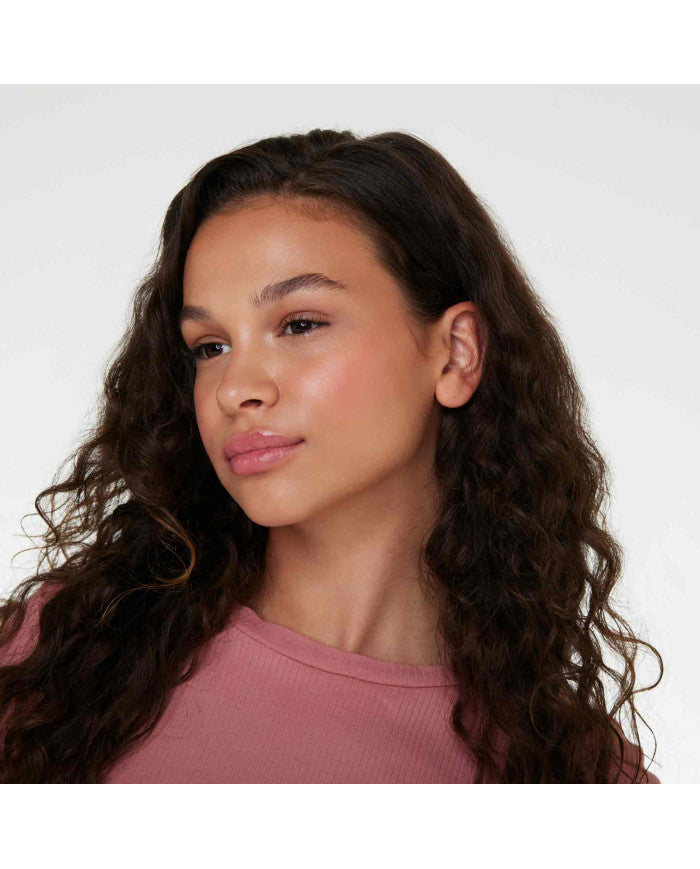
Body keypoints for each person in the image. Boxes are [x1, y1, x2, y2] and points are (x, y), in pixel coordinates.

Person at [0, 128, 662, 783]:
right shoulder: (56, 661)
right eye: (210, 347)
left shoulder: (576, 778)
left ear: (455, 354)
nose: (235, 388)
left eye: (300, 325)